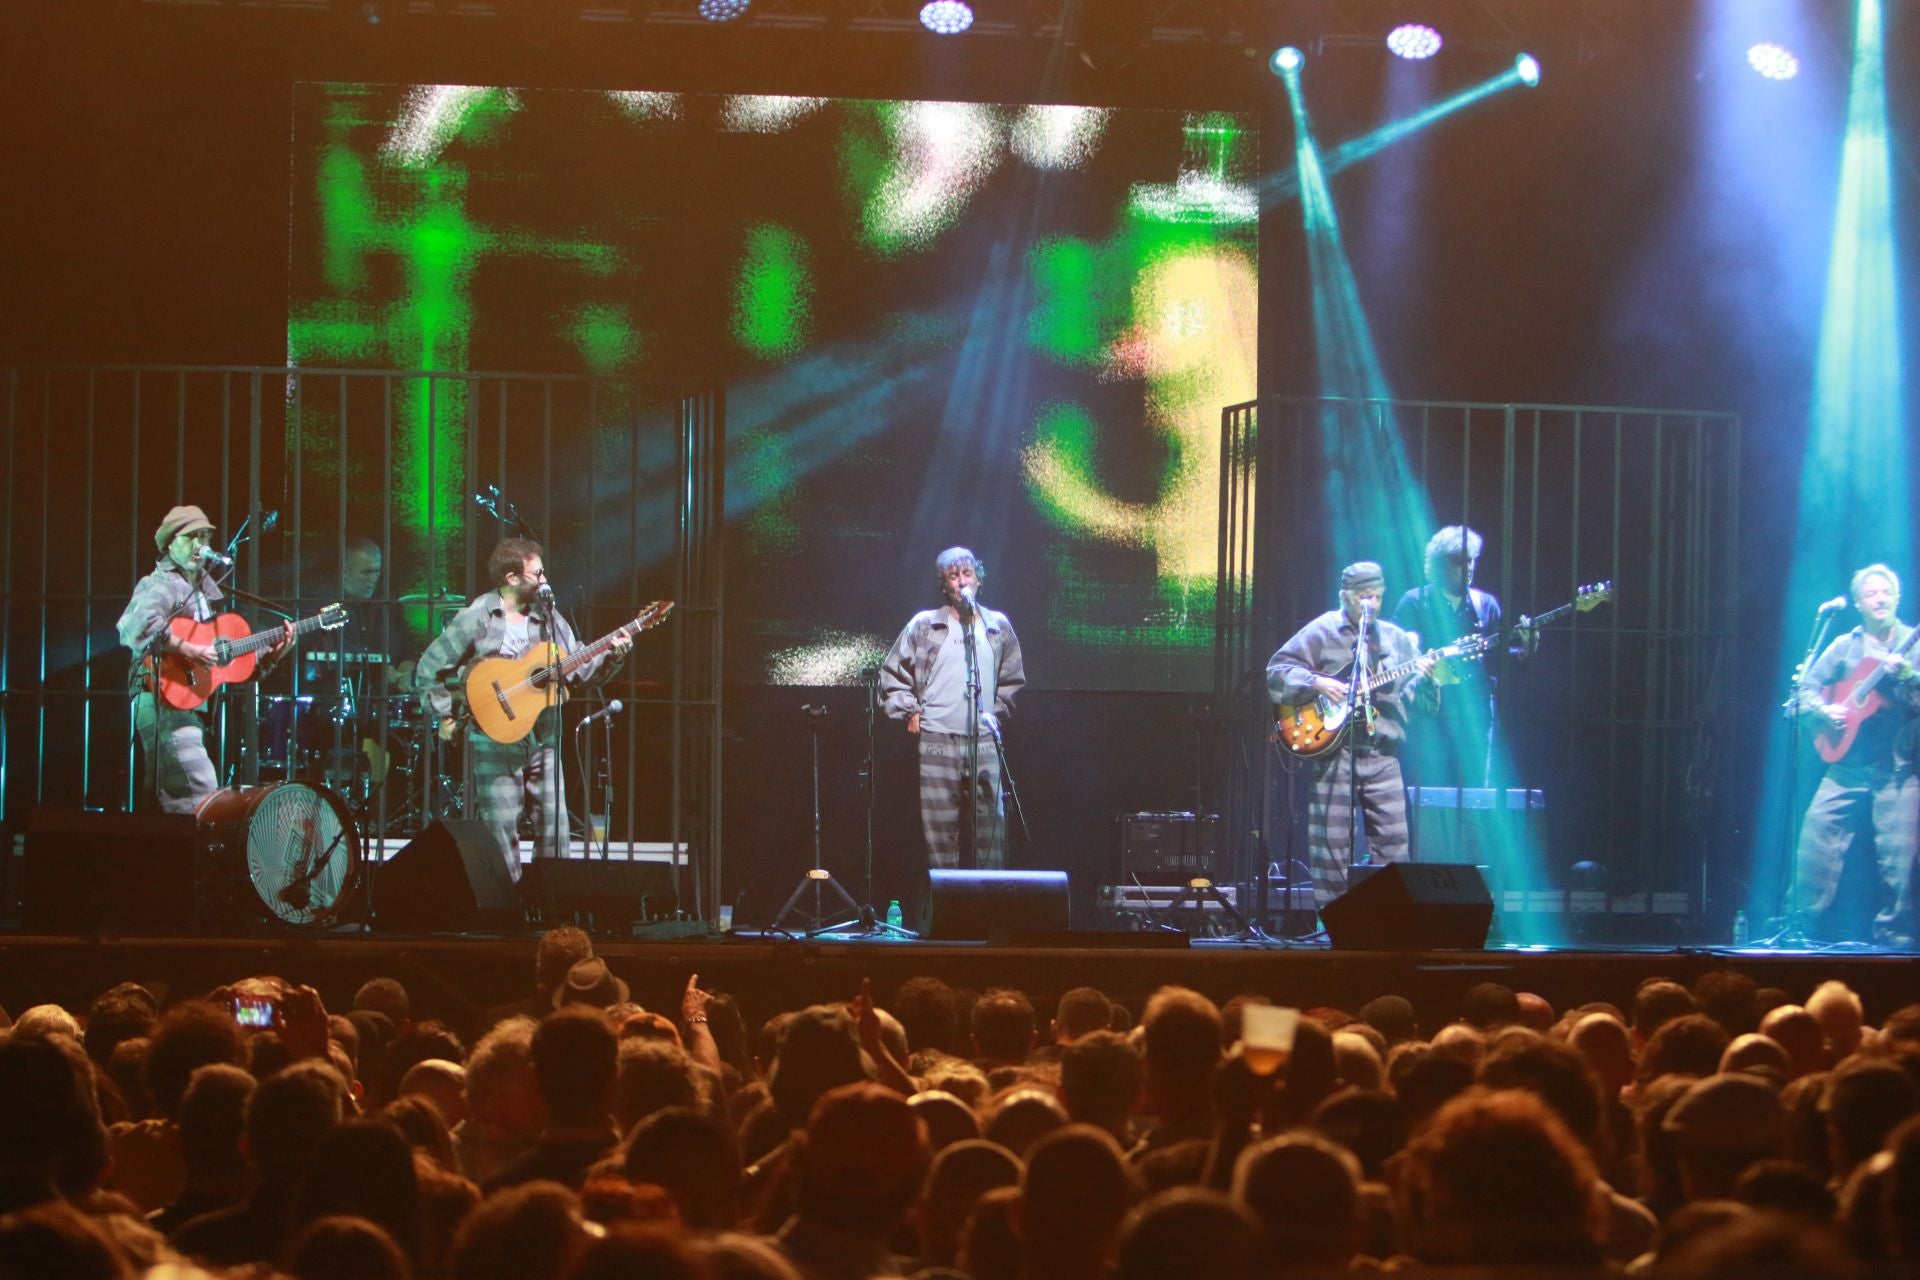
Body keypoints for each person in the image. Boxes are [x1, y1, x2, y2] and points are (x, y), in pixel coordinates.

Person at [414, 537, 630, 883]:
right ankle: (507, 913)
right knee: (500, 831)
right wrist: (445, 714)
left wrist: (613, 655)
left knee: (557, 827)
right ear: (512, 578)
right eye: (537, 574)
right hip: (494, 739)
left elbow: (578, 668)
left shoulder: (548, 617)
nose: (545, 581)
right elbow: (429, 669)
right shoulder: (478, 616)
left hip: (544, 736)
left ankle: (550, 903)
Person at [1268, 561, 1434, 910]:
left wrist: (1429, 680)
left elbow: (1422, 705)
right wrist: (1317, 681)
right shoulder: (1322, 631)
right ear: (1345, 596)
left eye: (1376, 596)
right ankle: (1332, 926)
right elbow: (1276, 673)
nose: (1370, 603)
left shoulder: (1397, 640)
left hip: (1383, 755)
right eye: (1363, 596)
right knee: (1331, 847)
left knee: (1394, 844)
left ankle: (1388, 922)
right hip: (1334, 756)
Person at [116, 504, 291, 813]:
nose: (200, 545)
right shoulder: (161, 584)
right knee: (197, 791)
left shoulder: (202, 594)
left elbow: (227, 668)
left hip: (186, 704)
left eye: (204, 537)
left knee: (170, 798)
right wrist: (189, 648)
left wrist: (272, 656)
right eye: (190, 537)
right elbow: (134, 627)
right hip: (160, 697)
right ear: (171, 543)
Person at [1790, 563, 1919, 947]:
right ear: (1860, 604)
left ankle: (1895, 941)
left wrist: (1910, 678)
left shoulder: (1913, 643)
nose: (1879, 599)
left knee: (1901, 860)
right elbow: (1804, 692)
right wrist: (1824, 711)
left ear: (1896, 598)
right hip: (1846, 766)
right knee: (1815, 840)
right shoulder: (1845, 645)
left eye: (1886, 593)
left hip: (1898, 769)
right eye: (1871, 594)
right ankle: (1802, 928)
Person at [879, 546, 1026, 871]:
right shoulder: (925, 625)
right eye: (953, 576)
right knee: (941, 839)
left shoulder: (996, 626)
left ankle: (990, 914)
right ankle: (948, 914)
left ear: (978, 578)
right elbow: (890, 674)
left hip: (984, 743)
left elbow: (1012, 678)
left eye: (967, 574)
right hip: (937, 741)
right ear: (944, 585)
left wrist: (996, 714)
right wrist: (910, 710)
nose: (962, 582)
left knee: (991, 834)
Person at [1389, 525, 1533, 788]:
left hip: (1476, 709)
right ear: (1439, 566)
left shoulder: (1485, 605)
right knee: (1429, 786)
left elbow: (1498, 660)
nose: (1468, 568)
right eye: (1459, 562)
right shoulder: (1413, 602)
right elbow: (1391, 657)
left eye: (1471, 561)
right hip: (1429, 708)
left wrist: (1523, 651)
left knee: (1475, 786)